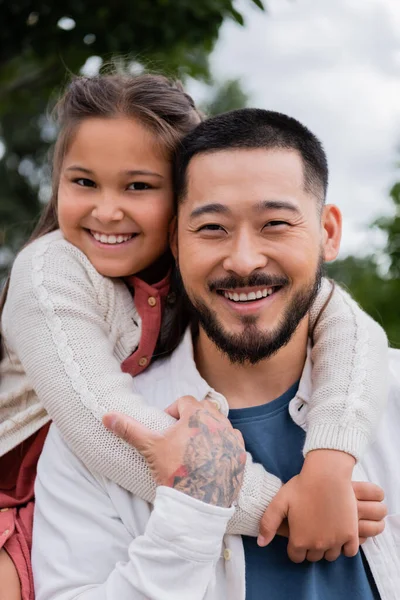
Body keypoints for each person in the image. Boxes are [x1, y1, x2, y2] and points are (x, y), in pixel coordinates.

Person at [0, 73, 388, 599]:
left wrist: (327, 468)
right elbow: (100, 428)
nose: (108, 209)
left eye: (139, 186)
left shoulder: (179, 268)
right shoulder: (49, 272)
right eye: (83, 182)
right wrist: (283, 509)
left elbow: (347, 321)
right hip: (17, 497)